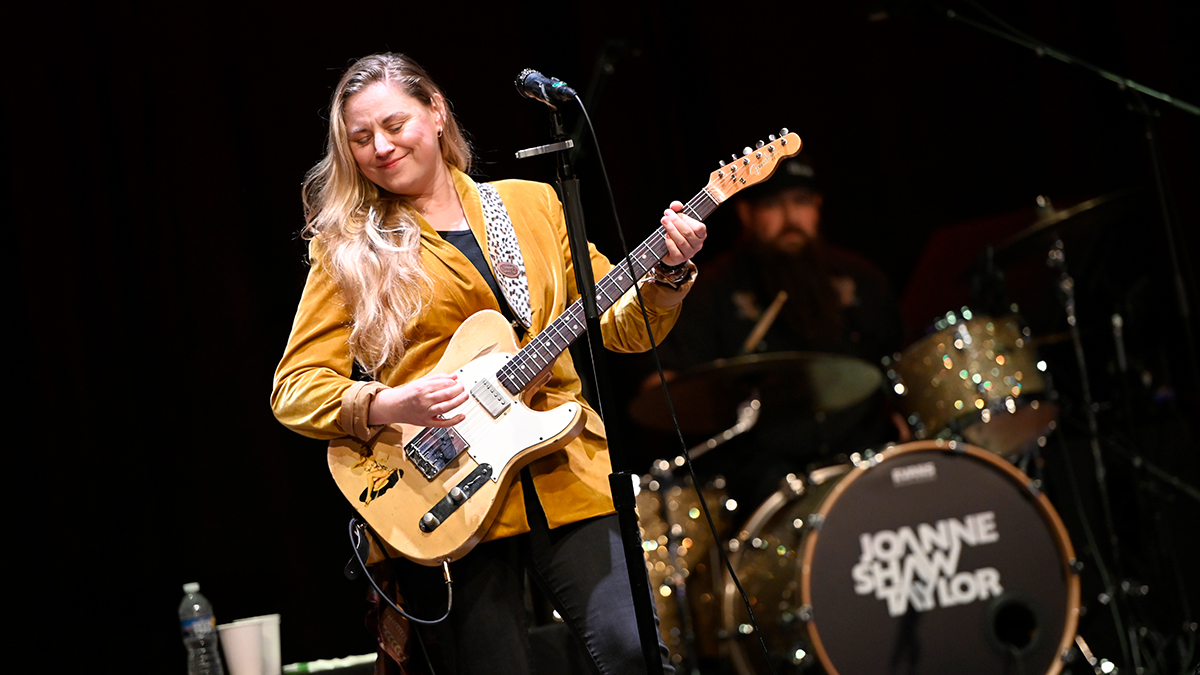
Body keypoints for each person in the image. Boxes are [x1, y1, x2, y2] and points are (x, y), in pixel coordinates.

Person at [270, 53, 706, 675]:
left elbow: (623, 326)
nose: (382, 147)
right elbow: (294, 388)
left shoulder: (533, 206)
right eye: (361, 138)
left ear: (437, 111)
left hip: (567, 473)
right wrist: (390, 403)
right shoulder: (346, 249)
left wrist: (666, 274)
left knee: (634, 653)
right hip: (447, 497)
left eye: (395, 125)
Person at [654, 155, 905, 507]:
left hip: (867, 457)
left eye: (801, 202)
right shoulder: (712, 292)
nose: (790, 219)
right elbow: (670, 391)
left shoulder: (862, 280)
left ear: (818, 207)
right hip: (764, 477)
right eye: (772, 205)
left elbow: (901, 366)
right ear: (747, 214)